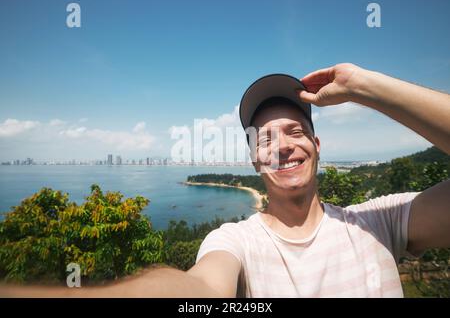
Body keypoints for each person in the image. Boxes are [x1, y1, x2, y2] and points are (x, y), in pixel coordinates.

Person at [1, 63, 449, 297]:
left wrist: (367, 87)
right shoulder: (236, 243)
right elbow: (195, 289)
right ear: (254, 160)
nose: (283, 146)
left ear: (317, 144)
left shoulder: (379, 222)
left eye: (296, 132)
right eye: (265, 139)